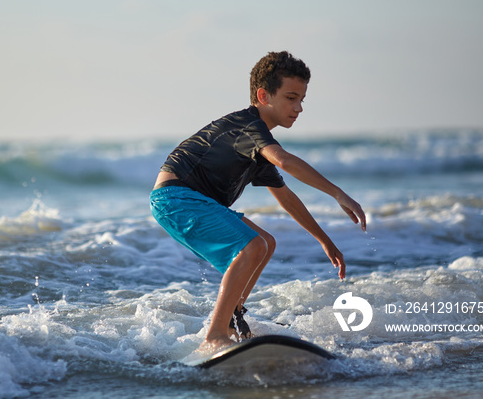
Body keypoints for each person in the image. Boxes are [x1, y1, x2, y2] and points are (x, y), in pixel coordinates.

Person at [149, 51, 366, 353]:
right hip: (177, 198)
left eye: (302, 99)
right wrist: (338, 193)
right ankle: (216, 333)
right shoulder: (249, 127)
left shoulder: (255, 144)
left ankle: (232, 317)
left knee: (265, 242)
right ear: (264, 95)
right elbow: (285, 160)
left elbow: (285, 196)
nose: (299, 107)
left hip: (190, 201)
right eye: (291, 97)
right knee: (251, 246)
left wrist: (324, 241)